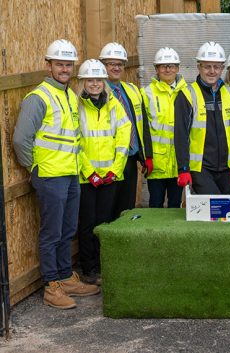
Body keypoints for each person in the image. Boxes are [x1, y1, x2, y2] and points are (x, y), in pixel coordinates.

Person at [13, 39, 100, 309]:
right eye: (59, 64)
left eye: (68, 64)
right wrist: (35, 168)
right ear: (48, 65)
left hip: (71, 174)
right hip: (50, 176)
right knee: (51, 232)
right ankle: (52, 285)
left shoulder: (69, 95)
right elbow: (20, 140)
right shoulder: (38, 98)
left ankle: (65, 276)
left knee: (67, 229)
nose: (64, 69)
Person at [75, 59, 132, 285]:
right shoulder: (77, 106)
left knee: (105, 221)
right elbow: (74, 142)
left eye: (99, 79)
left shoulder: (113, 104)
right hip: (87, 177)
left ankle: (104, 264)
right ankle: (89, 269)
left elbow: (123, 136)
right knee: (88, 222)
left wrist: (114, 170)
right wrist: (90, 173)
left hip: (110, 176)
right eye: (90, 80)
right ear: (82, 82)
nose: (95, 84)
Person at [173, 42, 230, 195]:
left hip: (226, 169)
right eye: (207, 66)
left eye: (216, 67)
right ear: (199, 67)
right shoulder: (187, 95)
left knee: (225, 214)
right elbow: (181, 135)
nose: (212, 71)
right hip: (201, 168)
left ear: (222, 68)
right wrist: (183, 169)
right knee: (213, 209)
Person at [99, 42, 148, 215]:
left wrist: (145, 155)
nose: (116, 68)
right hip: (110, 161)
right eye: (111, 64)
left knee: (126, 209)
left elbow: (141, 124)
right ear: (102, 65)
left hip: (130, 159)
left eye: (120, 64)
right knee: (108, 210)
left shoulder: (131, 90)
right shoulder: (98, 92)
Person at [143, 47, 187, 207]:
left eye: (172, 65)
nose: (168, 69)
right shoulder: (146, 93)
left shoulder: (187, 93)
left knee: (175, 207)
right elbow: (143, 130)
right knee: (155, 205)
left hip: (178, 163)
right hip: (156, 163)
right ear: (156, 69)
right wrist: (147, 157)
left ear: (178, 68)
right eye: (163, 66)